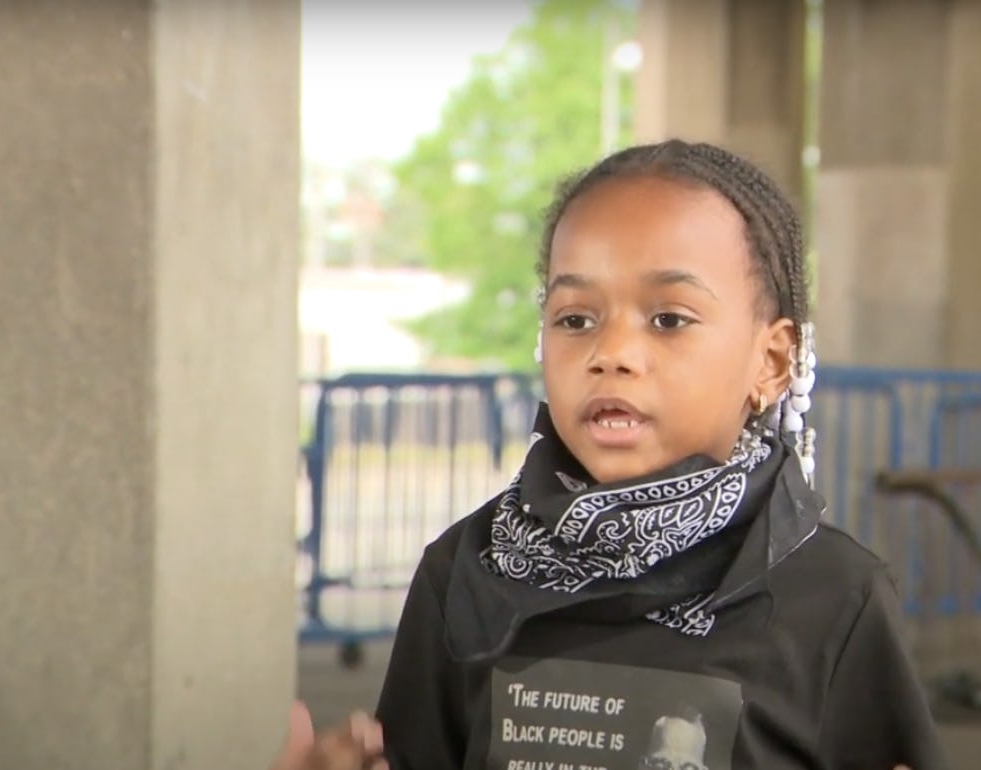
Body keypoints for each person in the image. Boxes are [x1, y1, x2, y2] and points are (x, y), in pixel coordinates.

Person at [274, 140, 946, 770]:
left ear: (770, 362)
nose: (610, 353)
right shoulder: (463, 571)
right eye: (575, 318)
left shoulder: (833, 595)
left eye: (668, 319)